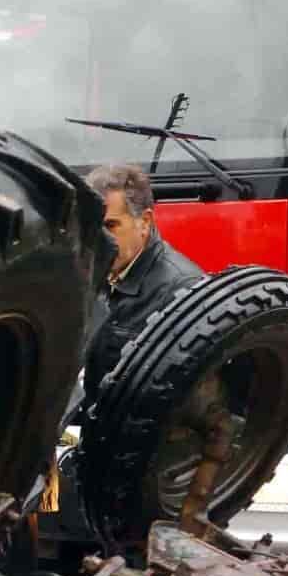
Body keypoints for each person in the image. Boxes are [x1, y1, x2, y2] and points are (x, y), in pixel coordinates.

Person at [80, 163, 204, 406]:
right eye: (91, 226)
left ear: (145, 222)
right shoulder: (95, 272)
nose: (96, 239)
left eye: (110, 226)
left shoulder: (183, 293)